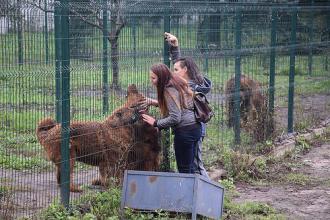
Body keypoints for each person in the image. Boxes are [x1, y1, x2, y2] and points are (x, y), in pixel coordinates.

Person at [165, 32, 212, 179]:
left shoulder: (191, 86)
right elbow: (180, 67)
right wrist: (175, 48)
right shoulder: (193, 81)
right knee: (192, 165)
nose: (173, 72)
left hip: (194, 127)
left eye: (176, 70)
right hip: (194, 126)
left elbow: (179, 71)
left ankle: (209, 194)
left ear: (185, 71)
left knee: (196, 165)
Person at [141, 63, 202, 174]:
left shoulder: (168, 90)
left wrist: (156, 123)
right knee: (190, 168)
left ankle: (186, 191)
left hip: (185, 132)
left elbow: (175, 117)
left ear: (162, 77)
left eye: (153, 78)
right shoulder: (177, 82)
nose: (151, 81)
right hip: (195, 128)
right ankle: (193, 191)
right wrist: (155, 102)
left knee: (184, 170)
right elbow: (179, 105)